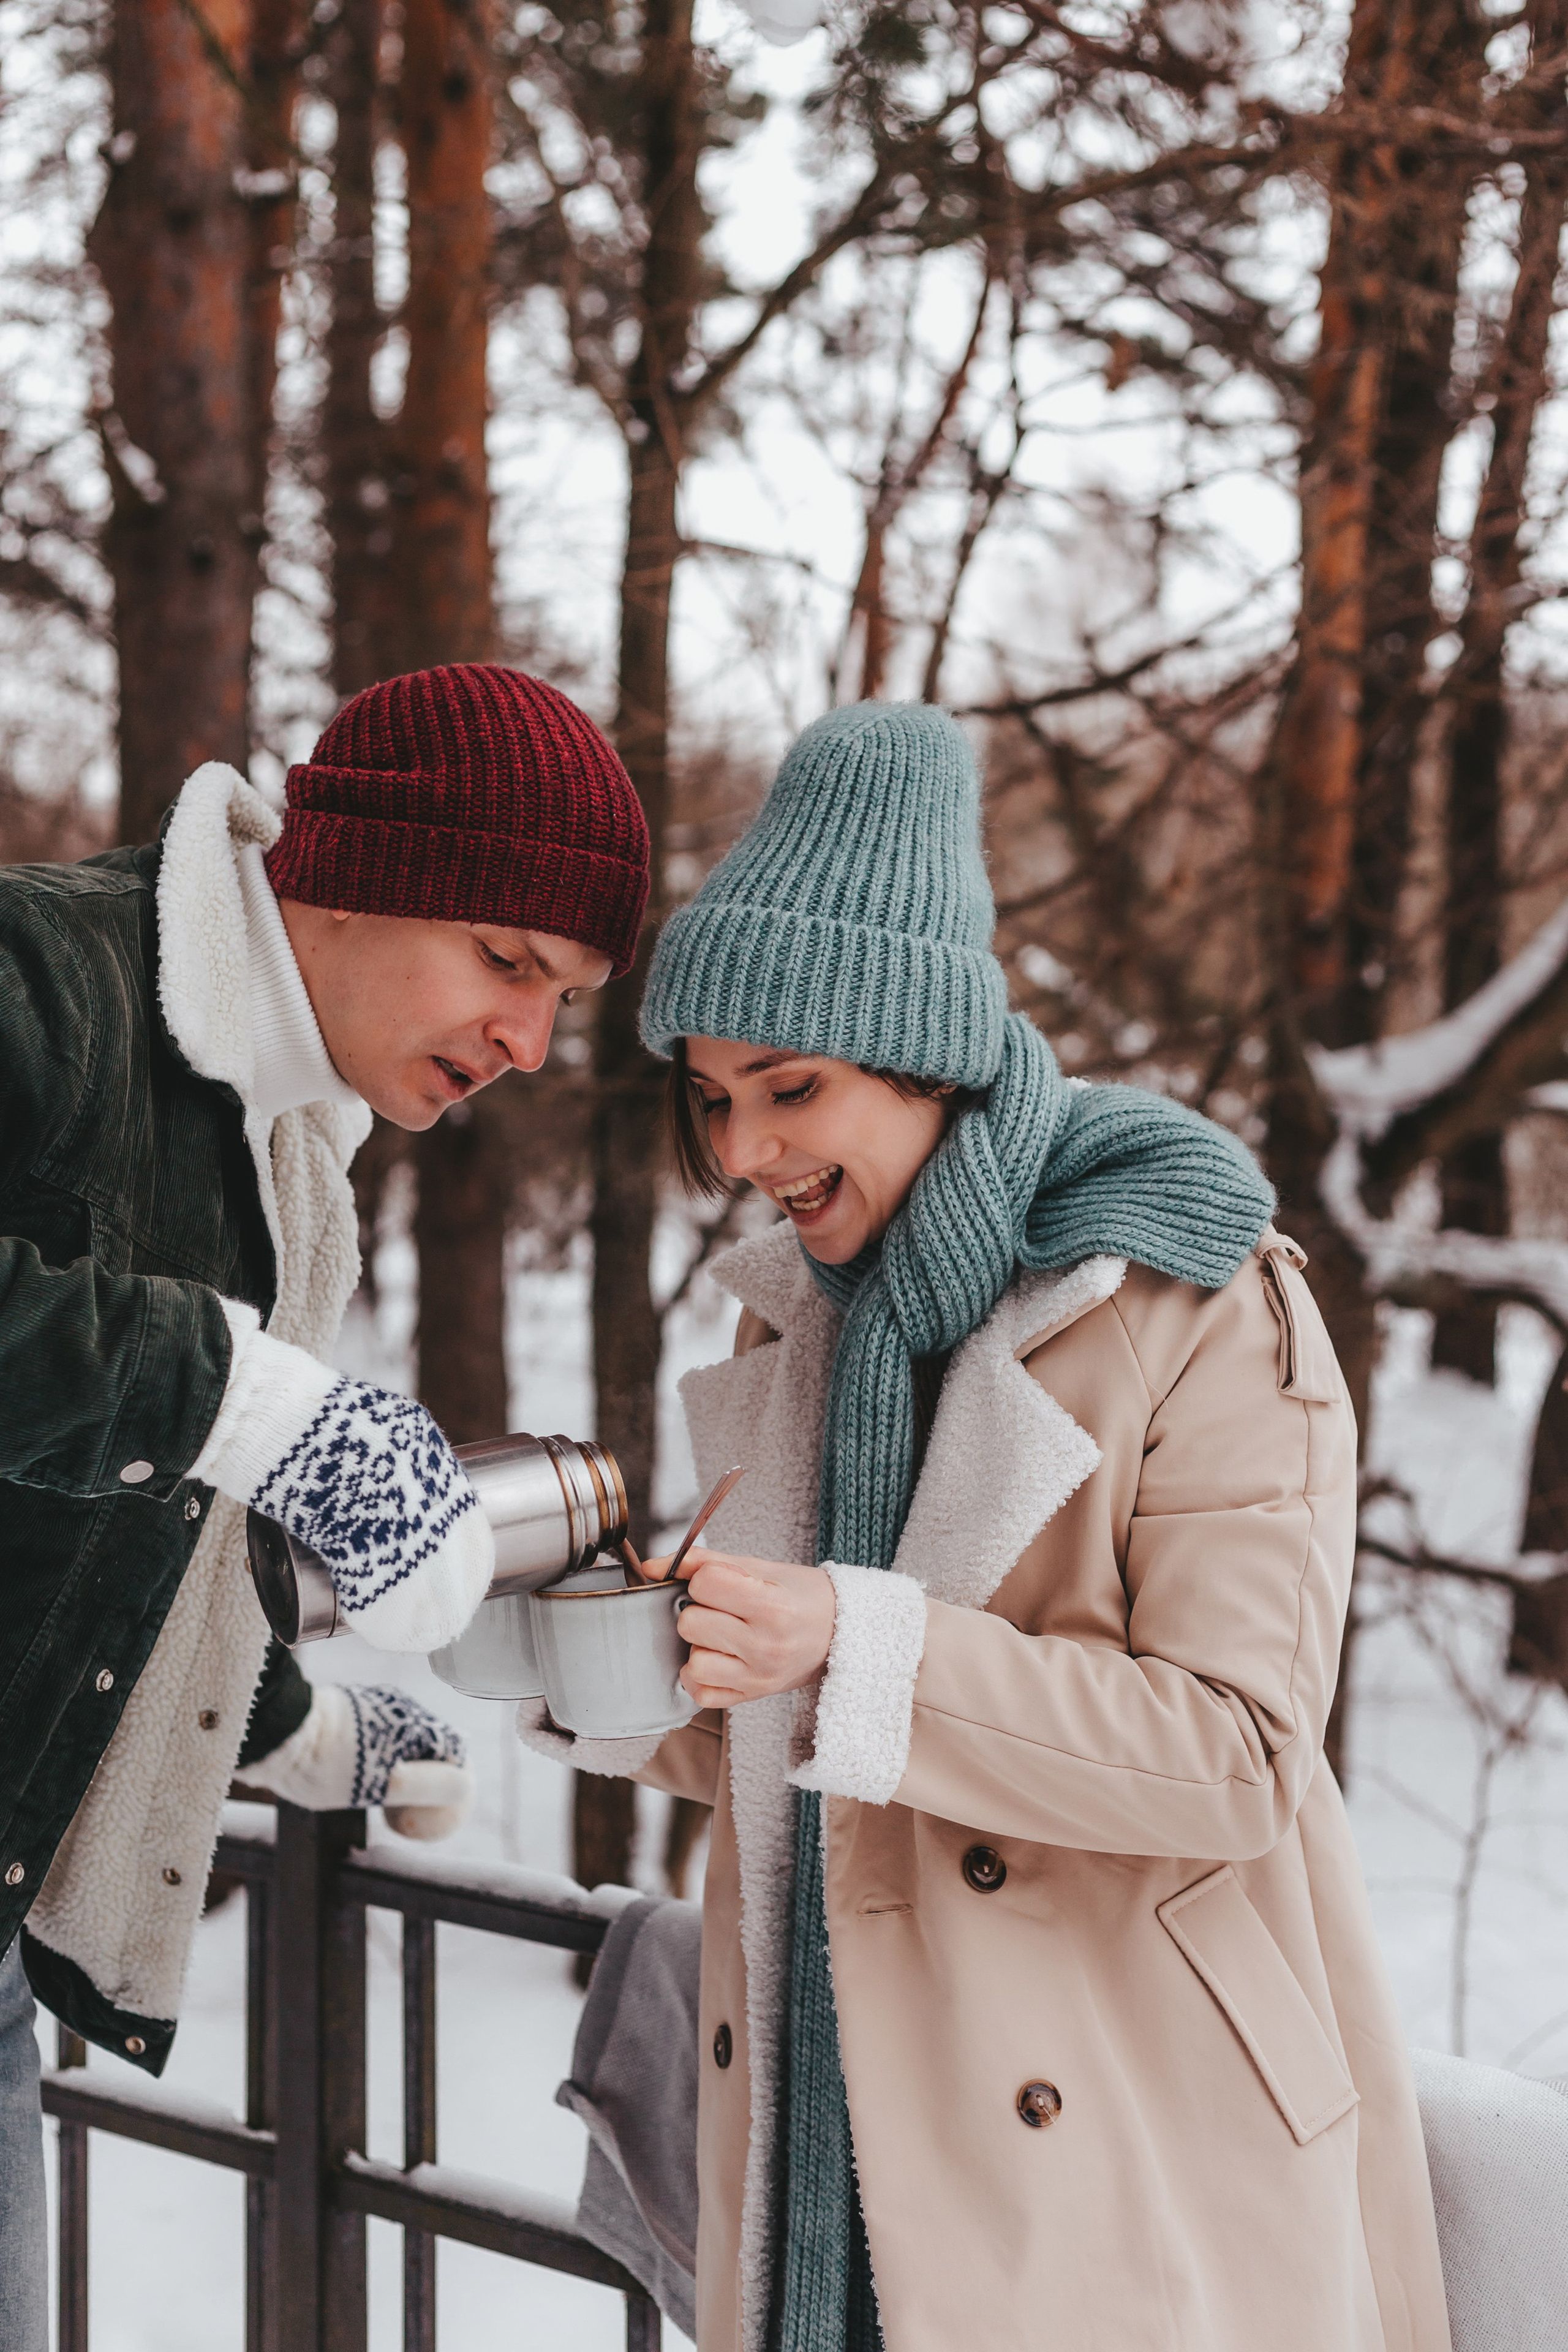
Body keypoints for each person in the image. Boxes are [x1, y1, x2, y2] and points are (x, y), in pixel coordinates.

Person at [523, 701, 1451, 2352]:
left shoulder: (1198, 1298)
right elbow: (806, 1756)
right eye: (716, 1101)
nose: (745, 1154)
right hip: (830, 2172)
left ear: (927, 1052)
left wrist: (854, 1649)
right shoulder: (787, 1325)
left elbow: (1238, 1755)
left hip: (1112, 2168)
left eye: (789, 1089)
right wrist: (603, 1660)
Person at [0, 662, 649, 2350]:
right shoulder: (43, 979)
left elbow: (97, 1521)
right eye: (509, 962)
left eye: (566, 993)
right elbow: (194, 1415)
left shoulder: (289, 1145)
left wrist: (265, 1722)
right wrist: (251, 1401)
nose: (530, 1038)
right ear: (341, 870)